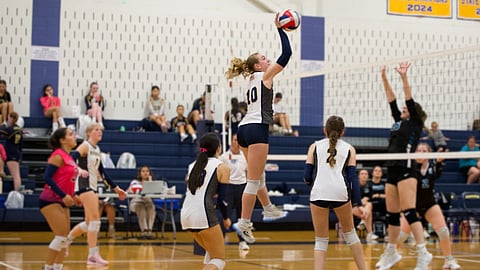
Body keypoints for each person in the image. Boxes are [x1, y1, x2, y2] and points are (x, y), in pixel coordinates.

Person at [225, 12, 292, 243]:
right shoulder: (264, 76)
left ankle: (268, 208)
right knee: (253, 180)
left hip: (243, 130)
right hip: (256, 130)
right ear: (257, 65)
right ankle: (243, 223)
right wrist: (281, 29)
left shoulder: (251, 79)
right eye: (264, 58)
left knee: (257, 175)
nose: (268, 60)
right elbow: (287, 54)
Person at [376, 62, 432, 270]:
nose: (403, 107)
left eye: (407, 107)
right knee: (392, 214)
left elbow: (407, 97)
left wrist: (403, 77)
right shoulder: (398, 121)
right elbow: (392, 99)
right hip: (393, 167)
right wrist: (383, 78)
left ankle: (423, 252)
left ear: (414, 111)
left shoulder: (415, 123)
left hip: (408, 169)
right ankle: (391, 252)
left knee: (409, 211)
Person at [304, 115, 366, 270]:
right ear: (343, 132)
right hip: (341, 193)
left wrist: (315, 184)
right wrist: (358, 203)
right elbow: (353, 179)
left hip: (319, 192)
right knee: (350, 235)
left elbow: (306, 176)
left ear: (324, 130)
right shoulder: (350, 149)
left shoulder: (314, 146)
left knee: (321, 240)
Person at [66, 123, 127, 265]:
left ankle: (66, 241)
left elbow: (103, 173)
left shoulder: (97, 149)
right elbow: (70, 157)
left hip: (92, 186)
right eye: (96, 129)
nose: (100, 132)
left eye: (101, 130)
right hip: (84, 185)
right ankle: (93, 255)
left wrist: (116, 188)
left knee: (89, 223)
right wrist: (77, 170)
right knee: (95, 220)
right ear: (88, 132)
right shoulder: (85, 145)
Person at [218, 134, 287, 252]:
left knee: (242, 216)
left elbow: (249, 172)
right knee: (225, 216)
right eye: (234, 140)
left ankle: (242, 241)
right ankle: (220, 243)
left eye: (238, 140)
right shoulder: (224, 157)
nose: (236, 142)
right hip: (228, 188)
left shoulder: (244, 156)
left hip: (242, 187)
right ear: (231, 142)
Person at [397, 143, 461, 269]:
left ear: (429, 153)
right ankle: (392, 254)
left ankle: (449, 260)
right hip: (412, 206)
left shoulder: (432, 166)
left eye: (424, 150)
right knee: (401, 236)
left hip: (429, 204)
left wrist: (438, 163)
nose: (421, 152)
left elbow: (436, 174)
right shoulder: (410, 167)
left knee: (443, 231)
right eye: (419, 150)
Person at [39, 127, 88, 270]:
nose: (74, 136)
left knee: (65, 238)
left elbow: (66, 180)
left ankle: (58, 267)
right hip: (50, 199)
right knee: (61, 237)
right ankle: (47, 268)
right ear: (62, 140)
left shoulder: (70, 158)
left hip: (63, 200)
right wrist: (63, 195)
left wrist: (73, 195)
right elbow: (47, 177)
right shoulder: (58, 155)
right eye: (70, 134)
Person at [181, 132, 231, 270]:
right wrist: (226, 218)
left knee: (211, 254)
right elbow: (223, 200)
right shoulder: (222, 167)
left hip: (186, 214)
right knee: (219, 260)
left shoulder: (192, 166)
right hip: (203, 214)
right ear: (218, 148)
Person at [127, 165, 157, 239]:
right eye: (143, 171)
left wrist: (150, 182)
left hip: (147, 202)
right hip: (136, 202)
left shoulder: (153, 183)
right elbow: (128, 192)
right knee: (141, 208)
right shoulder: (134, 182)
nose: (145, 173)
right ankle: (144, 231)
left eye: (147, 171)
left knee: (151, 208)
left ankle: (149, 231)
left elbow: (155, 193)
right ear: (140, 173)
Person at [0, 111, 23, 191]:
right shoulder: (19, 129)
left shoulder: (10, 129)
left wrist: (2, 125)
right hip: (16, 152)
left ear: (11, 118)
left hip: (11, 152)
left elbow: (2, 131)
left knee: (16, 176)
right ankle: (18, 192)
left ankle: (17, 193)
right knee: (17, 175)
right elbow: (21, 145)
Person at [355, 169, 379, 242]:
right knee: (368, 211)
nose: (364, 175)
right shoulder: (354, 186)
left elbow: (371, 198)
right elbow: (351, 200)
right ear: (358, 176)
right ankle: (369, 233)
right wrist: (360, 202)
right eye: (362, 174)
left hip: (365, 207)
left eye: (365, 174)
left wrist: (365, 201)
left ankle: (362, 221)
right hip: (354, 207)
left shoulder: (369, 186)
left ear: (368, 176)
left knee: (369, 204)